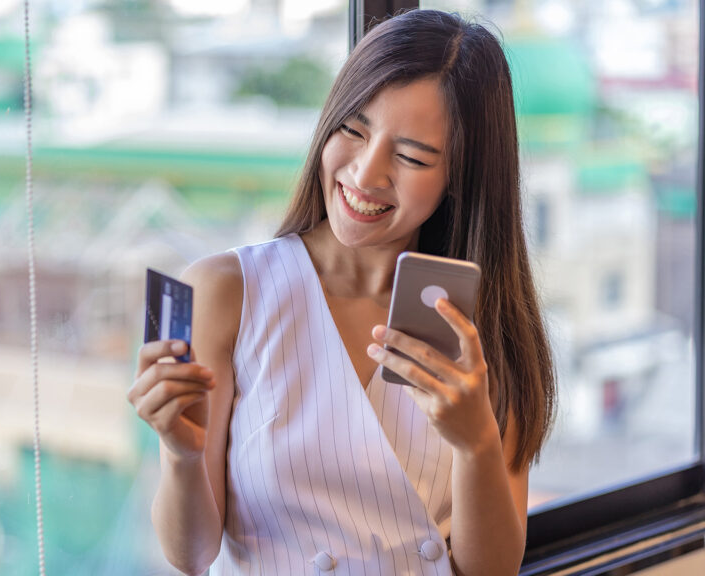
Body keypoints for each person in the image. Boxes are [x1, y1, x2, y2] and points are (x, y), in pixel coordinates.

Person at [127, 9, 556, 576]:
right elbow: (191, 555)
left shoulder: (483, 328)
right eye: (352, 129)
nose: (365, 173)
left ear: (462, 176)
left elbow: (491, 570)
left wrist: (476, 443)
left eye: (410, 156)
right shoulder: (225, 291)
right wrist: (181, 455)